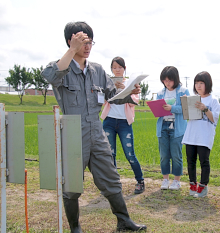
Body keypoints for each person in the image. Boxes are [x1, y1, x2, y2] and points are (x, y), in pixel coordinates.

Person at [41, 21, 146, 232]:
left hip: (96, 132)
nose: (87, 46)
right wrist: (71, 50)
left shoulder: (97, 70)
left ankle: (123, 221)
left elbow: (112, 97)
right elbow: (50, 76)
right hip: (72, 133)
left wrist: (129, 93)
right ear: (71, 41)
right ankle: (75, 227)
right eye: (82, 41)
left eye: (90, 42)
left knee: (111, 177)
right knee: (71, 185)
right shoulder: (60, 67)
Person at [101, 56, 145, 195]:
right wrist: (113, 89)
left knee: (130, 154)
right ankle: (113, 183)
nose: (117, 70)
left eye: (120, 67)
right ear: (111, 69)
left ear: (124, 69)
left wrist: (125, 89)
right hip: (109, 121)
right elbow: (103, 101)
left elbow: (133, 103)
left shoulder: (131, 84)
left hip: (124, 122)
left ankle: (140, 181)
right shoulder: (107, 83)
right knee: (110, 154)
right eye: (114, 67)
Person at [182, 71, 220, 198]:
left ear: (207, 84)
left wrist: (205, 109)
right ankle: (192, 185)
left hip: (204, 136)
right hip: (191, 134)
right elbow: (186, 115)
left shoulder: (213, 100)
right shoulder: (192, 99)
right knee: (190, 161)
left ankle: (203, 187)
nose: (198, 86)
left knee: (204, 161)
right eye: (196, 83)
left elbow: (214, 119)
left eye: (201, 83)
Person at [156, 66, 189, 190]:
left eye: (169, 80)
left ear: (175, 79)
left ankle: (177, 181)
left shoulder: (183, 91)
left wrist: (172, 108)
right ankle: (165, 179)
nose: (167, 83)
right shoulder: (160, 93)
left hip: (177, 126)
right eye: (164, 80)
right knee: (164, 154)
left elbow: (187, 109)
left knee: (176, 154)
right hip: (163, 125)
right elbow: (158, 110)